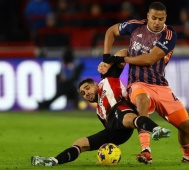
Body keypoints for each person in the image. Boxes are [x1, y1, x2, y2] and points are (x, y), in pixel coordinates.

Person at [100, 1, 189, 164]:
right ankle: (146, 150)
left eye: (160, 19)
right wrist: (106, 58)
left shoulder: (169, 35)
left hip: (161, 86)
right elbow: (111, 31)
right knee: (142, 99)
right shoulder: (135, 26)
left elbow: (150, 59)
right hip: (137, 83)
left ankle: (188, 157)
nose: (157, 22)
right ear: (148, 16)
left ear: (165, 18)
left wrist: (121, 58)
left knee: (186, 126)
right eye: (154, 18)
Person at [31, 50, 171, 166]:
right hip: (113, 129)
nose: (86, 93)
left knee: (125, 116)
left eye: (87, 88)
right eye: (83, 93)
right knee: (80, 143)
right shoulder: (99, 111)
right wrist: (105, 151)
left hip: (121, 110)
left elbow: (124, 52)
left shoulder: (107, 79)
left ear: (96, 85)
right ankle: (53, 161)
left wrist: (108, 62)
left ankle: (157, 129)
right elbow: (109, 130)